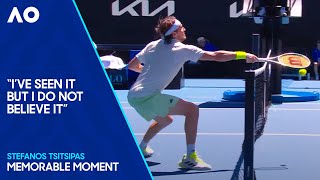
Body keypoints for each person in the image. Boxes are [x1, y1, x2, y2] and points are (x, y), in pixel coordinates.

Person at [127, 16, 258, 170]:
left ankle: (141, 148)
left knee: (165, 120)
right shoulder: (183, 49)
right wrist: (242, 55)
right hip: (147, 96)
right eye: (181, 27)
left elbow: (132, 65)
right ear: (174, 34)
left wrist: (150, 73)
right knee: (192, 110)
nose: (184, 29)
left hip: (134, 95)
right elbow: (215, 56)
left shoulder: (152, 45)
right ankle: (190, 158)